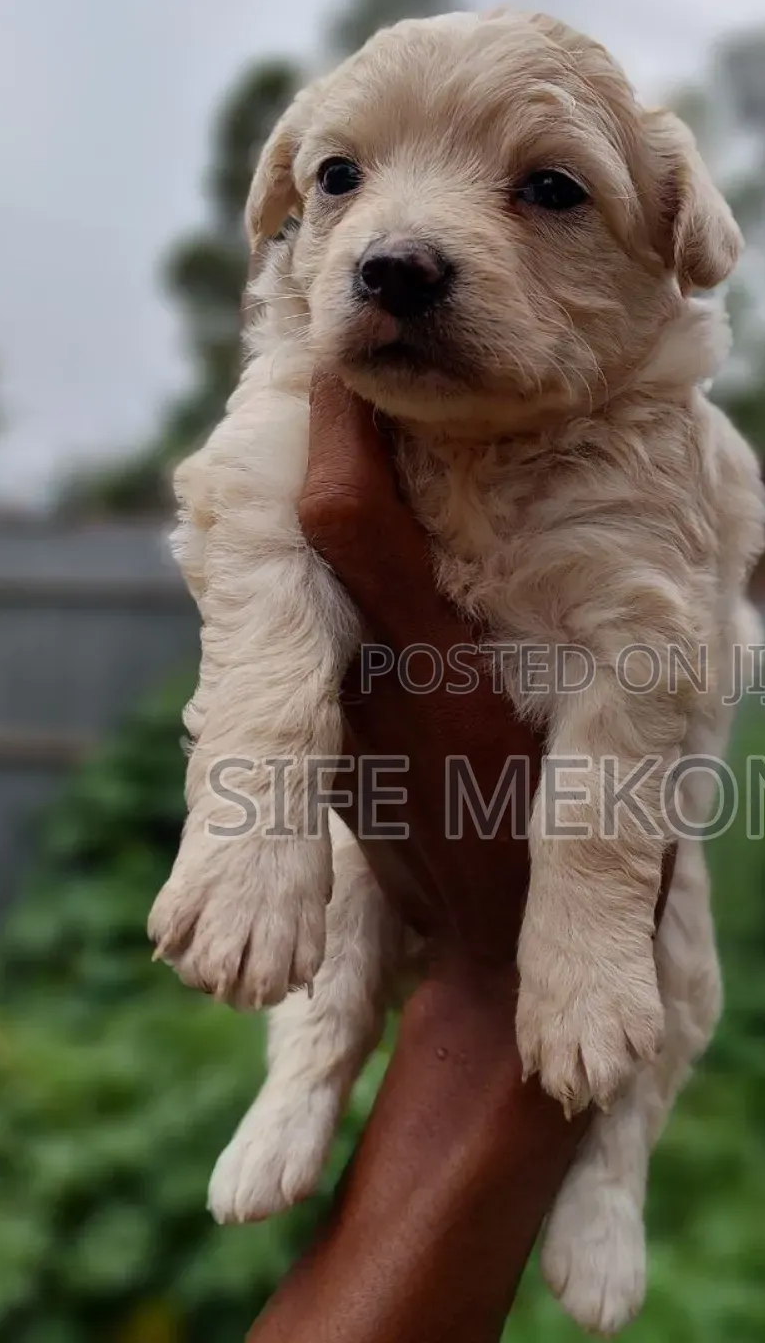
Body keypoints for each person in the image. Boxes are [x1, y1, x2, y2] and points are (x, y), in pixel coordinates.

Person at [248, 374, 671, 1342]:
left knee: (659, 938)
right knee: (346, 894)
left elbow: (653, 650)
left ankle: (614, 1173)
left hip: (593, 815)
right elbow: (246, 536)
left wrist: (532, 951)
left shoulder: (643, 436)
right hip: (371, 809)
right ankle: (304, 1080)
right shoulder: (296, 413)